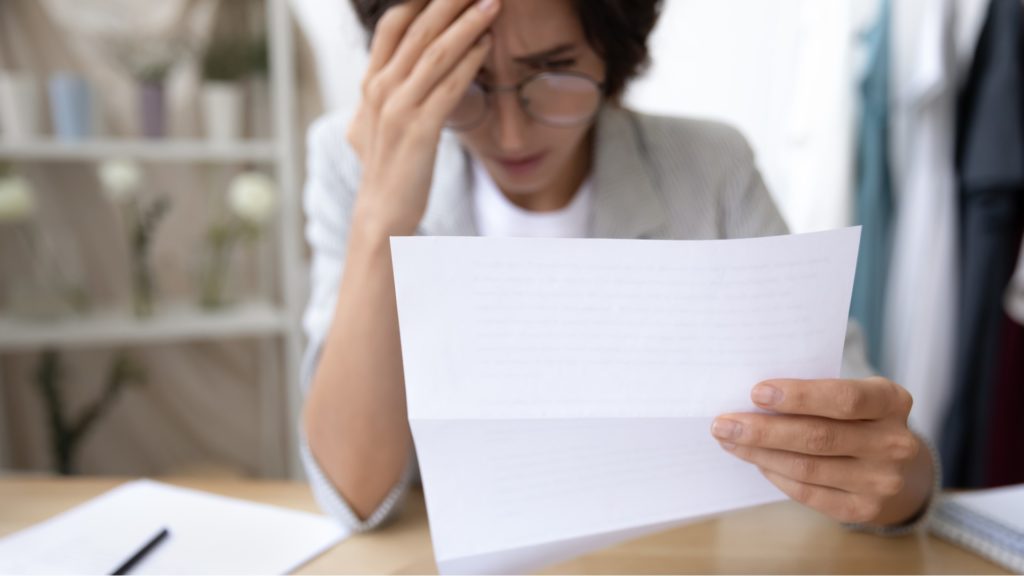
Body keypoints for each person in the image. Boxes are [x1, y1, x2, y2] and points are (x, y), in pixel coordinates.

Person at [300, 0, 937, 534]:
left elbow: (869, 438)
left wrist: (899, 481)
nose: (513, 135)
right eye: (467, 86)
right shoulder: (349, 162)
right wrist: (383, 214)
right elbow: (355, 495)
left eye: (553, 71)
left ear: (612, 53)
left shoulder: (710, 168)